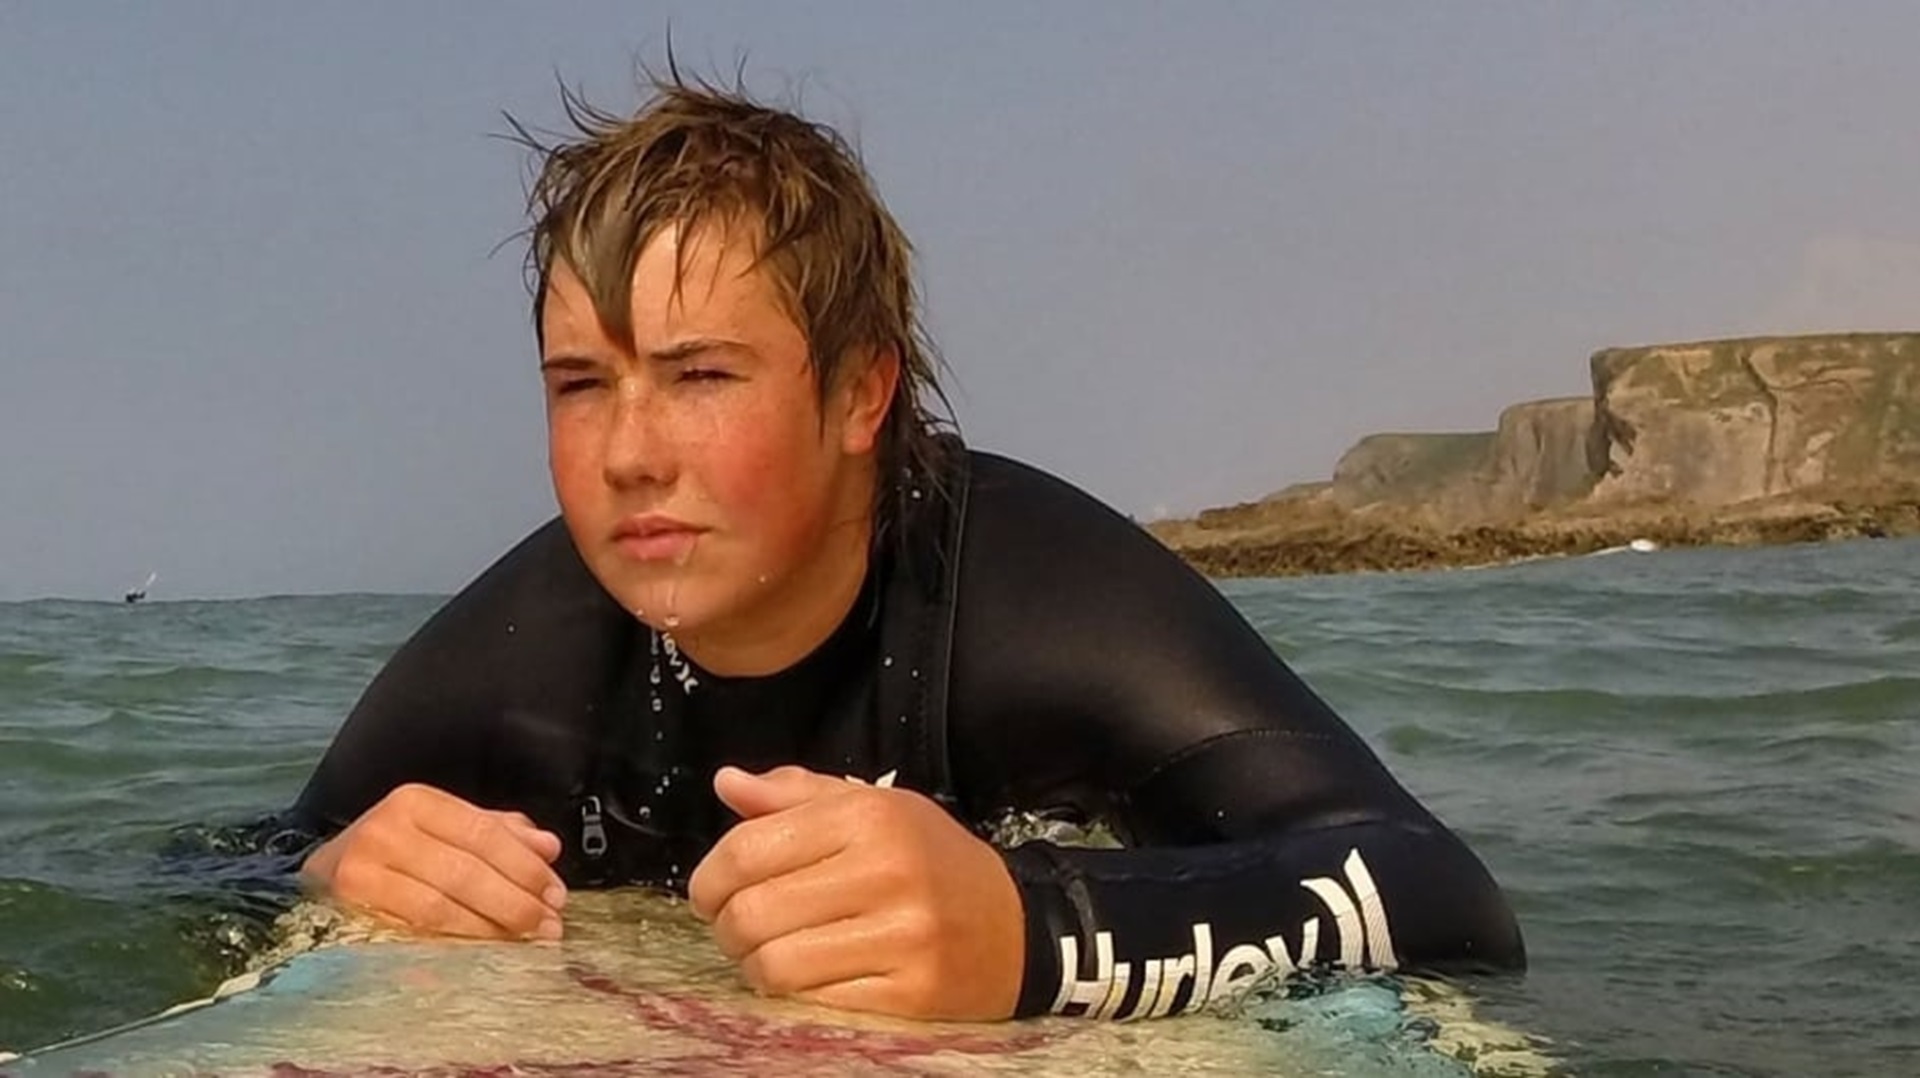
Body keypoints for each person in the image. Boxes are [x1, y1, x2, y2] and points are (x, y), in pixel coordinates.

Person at [283, 73, 1524, 1024]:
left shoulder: (1032, 600)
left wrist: (1034, 934)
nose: (627, 455)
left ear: (860, 395)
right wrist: (333, 876)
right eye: (579, 385)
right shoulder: (523, 653)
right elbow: (216, 871)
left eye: (701, 373)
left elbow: (1439, 895)